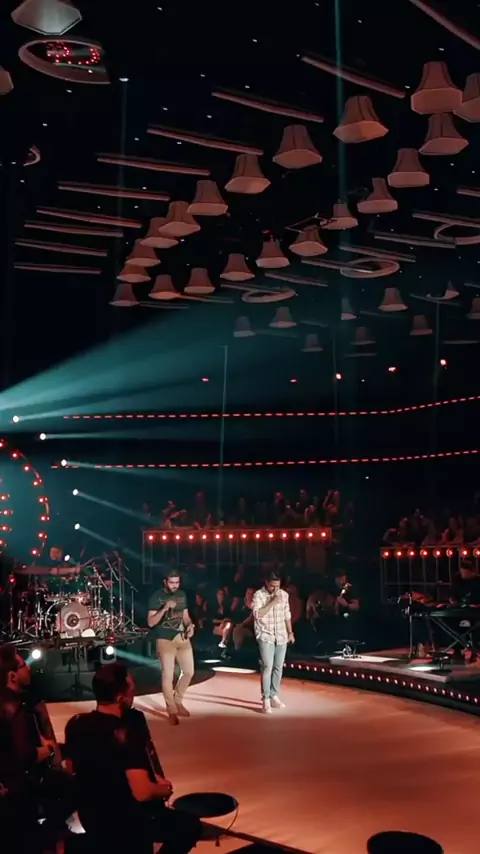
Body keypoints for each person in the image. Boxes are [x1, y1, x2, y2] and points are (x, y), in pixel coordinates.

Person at [64, 663, 201, 854]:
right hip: (126, 821)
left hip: (91, 816)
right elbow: (142, 792)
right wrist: (162, 790)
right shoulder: (128, 729)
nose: (134, 693)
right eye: (131, 690)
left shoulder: (76, 724)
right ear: (120, 698)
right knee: (189, 827)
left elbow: (72, 769)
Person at [0, 644, 64, 852]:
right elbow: (25, 755)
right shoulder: (16, 708)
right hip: (20, 793)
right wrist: (49, 749)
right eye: (23, 665)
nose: (28, 668)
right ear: (12, 676)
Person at [147, 569, 195, 725]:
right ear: (165, 582)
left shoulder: (182, 595)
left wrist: (190, 625)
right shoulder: (156, 597)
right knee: (168, 675)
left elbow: (186, 616)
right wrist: (164, 608)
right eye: (172, 582)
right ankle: (172, 710)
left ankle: (178, 700)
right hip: (165, 639)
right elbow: (151, 622)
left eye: (177, 582)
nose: (175, 585)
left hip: (182, 637)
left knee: (189, 672)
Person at [252, 571, 294, 714]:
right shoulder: (259, 595)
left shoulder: (284, 595)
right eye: (272, 586)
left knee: (278, 667)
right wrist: (272, 602)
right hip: (266, 635)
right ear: (266, 583)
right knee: (267, 666)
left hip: (281, 635)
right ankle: (266, 699)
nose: (275, 589)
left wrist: (290, 633)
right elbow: (258, 615)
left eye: (278, 586)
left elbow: (287, 615)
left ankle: (274, 694)